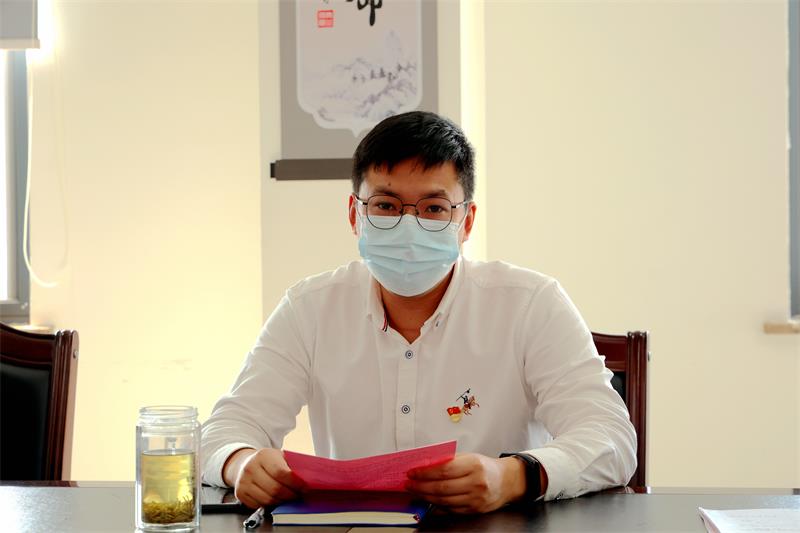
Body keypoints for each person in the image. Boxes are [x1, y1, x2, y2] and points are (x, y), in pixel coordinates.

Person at [201, 111, 637, 514]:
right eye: (386, 205)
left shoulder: (531, 303)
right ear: (355, 214)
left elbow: (611, 438)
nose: (409, 226)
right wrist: (240, 463)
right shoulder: (309, 308)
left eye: (434, 209)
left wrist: (512, 476)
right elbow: (221, 433)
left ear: (466, 222)